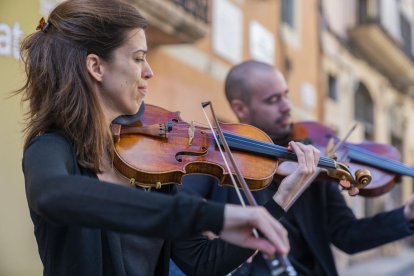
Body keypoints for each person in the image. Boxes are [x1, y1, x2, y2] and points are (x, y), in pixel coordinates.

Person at [16, 1, 324, 275]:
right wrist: (215, 216)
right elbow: (53, 194)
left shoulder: (151, 161)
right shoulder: (50, 148)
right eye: (138, 58)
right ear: (96, 66)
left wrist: (281, 199)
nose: (149, 71)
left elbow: (202, 262)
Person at [180, 60, 414, 275]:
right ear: (241, 109)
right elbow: (179, 211)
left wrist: (406, 216)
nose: (286, 107)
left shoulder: (310, 157)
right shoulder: (218, 156)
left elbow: (348, 236)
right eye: (272, 100)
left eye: (286, 96)